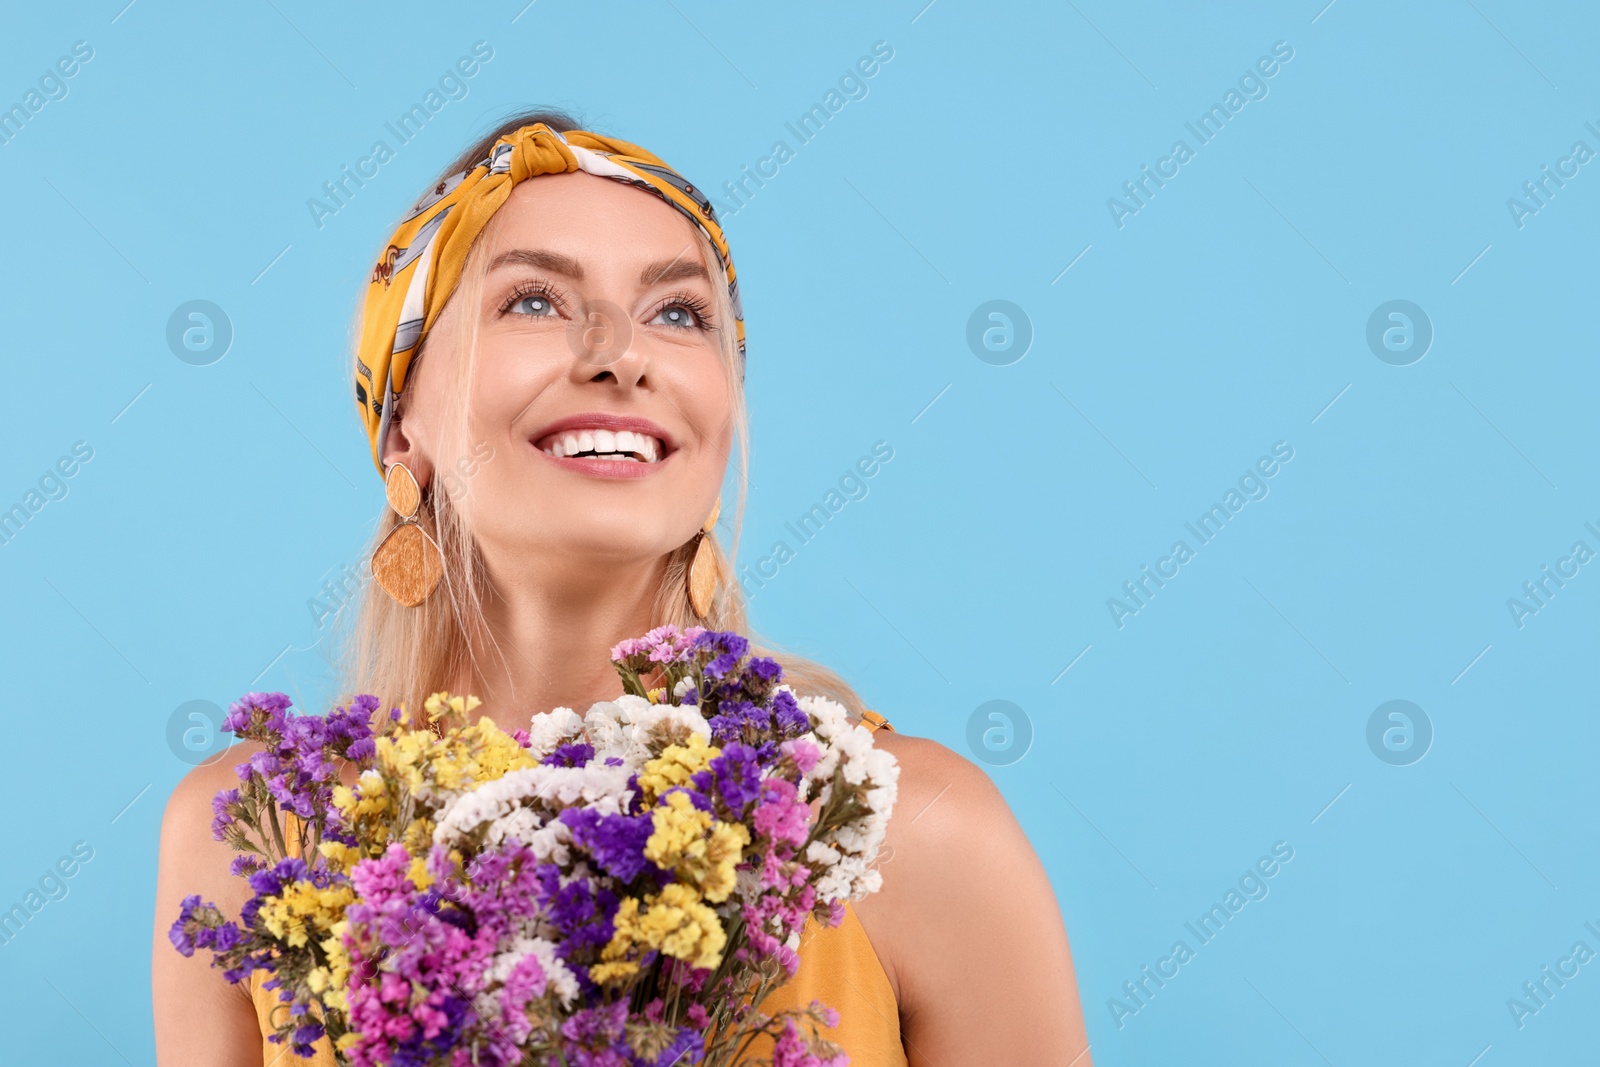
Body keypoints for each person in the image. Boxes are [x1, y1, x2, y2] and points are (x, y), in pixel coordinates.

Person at [152, 109, 1092, 1066]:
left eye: (678, 313)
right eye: (534, 300)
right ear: (404, 429)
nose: (618, 351)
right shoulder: (255, 837)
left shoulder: (909, 833)